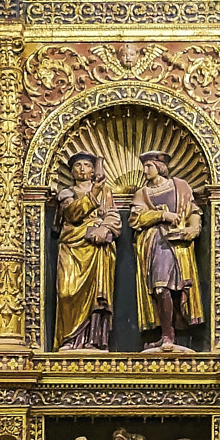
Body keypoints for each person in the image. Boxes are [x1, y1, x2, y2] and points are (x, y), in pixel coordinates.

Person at [129, 150, 200, 352]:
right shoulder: (142, 194)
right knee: (160, 288)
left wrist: (193, 228)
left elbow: (193, 210)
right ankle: (166, 335)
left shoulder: (180, 186)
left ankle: (170, 335)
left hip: (178, 244)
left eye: (149, 166)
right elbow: (135, 219)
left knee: (174, 288)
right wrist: (162, 215)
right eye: (144, 166)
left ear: (159, 167)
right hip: (155, 244)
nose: (145, 170)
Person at [52, 152, 121, 349]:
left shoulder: (106, 192)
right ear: (72, 171)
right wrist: (92, 195)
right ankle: (68, 339)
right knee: (66, 292)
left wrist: (105, 228)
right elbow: (72, 213)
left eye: (87, 165)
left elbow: (114, 216)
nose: (82, 169)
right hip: (72, 246)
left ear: (93, 169)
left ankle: (94, 340)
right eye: (78, 166)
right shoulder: (67, 192)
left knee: (98, 297)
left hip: (97, 248)